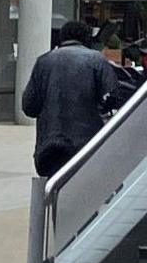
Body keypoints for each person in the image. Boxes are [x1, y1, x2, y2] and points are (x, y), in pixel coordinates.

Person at [19, 19, 127, 180]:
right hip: (87, 145)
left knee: (53, 190)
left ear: (62, 38)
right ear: (87, 38)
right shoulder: (97, 60)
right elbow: (114, 98)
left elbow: (29, 107)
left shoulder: (44, 61)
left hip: (49, 146)